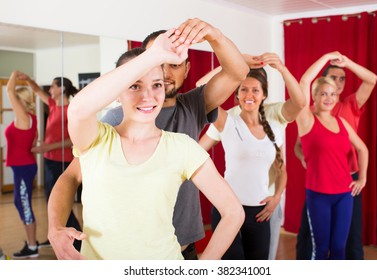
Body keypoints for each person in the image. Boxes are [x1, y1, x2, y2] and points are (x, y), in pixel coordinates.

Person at [47, 18, 249, 259]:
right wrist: (55, 227)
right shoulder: (104, 131)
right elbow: (79, 113)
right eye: (135, 85)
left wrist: (215, 36)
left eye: (157, 84)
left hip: (177, 251)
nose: (149, 95)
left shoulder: (187, 128)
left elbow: (233, 212)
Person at [198, 53, 305, 259]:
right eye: (243, 89)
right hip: (228, 209)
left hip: (259, 213)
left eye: (255, 90)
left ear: (264, 94)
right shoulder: (227, 121)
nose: (249, 95)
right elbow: (201, 88)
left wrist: (276, 198)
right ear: (236, 94)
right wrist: (234, 63)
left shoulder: (274, 126)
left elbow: (281, 170)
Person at [294, 51, 377, 260]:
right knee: (319, 249)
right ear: (315, 95)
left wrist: (363, 178)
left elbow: (362, 148)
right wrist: (325, 57)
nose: (330, 97)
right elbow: (304, 81)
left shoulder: (343, 118)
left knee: (342, 247)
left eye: (333, 93)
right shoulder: (306, 118)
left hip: (345, 191)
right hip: (319, 191)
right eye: (324, 93)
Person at [17, 72, 82, 250]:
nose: (50, 89)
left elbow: (73, 140)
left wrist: (48, 147)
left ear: (61, 89)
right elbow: (37, 90)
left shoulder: (71, 110)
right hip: (49, 160)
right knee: (51, 202)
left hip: (62, 162)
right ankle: (57, 235)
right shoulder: (53, 105)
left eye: (53, 86)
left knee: (62, 203)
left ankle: (78, 240)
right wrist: (28, 80)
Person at [4, 71, 39, 259]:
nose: (13, 101)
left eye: (16, 100)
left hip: (24, 167)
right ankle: (31, 242)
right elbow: (34, 142)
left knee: (24, 205)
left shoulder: (24, 117)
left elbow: (9, 92)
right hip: (24, 166)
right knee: (21, 202)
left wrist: (15, 74)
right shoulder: (30, 118)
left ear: (20, 100)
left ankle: (33, 247)